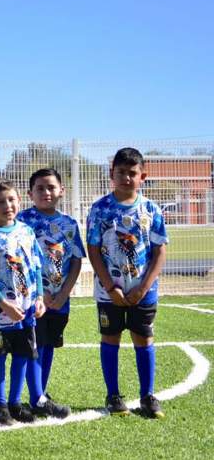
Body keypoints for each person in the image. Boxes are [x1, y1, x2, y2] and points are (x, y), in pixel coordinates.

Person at [0, 179, 68, 426]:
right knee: (0, 355)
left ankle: (16, 404)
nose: (7, 205)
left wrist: (38, 298)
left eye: (12, 199)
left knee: (23, 355)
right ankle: (1, 405)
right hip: (1, 311)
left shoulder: (25, 231)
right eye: (0, 202)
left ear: (19, 201)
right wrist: (2, 303)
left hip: (26, 310)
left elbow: (36, 266)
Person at [87, 148, 167, 418]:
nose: (126, 177)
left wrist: (143, 287)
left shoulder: (151, 210)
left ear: (142, 176)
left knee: (144, 339)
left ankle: (148, 396)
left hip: (142, 291)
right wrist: (111, 286)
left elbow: (159, 252)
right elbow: (94, 249)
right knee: (111, 337)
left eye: (132, 173)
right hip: (110, 291)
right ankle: (113, 396)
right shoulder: (100, 209)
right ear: (112, 174)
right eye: (121, 172)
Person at [17, 168, 83, 417]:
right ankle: (36, 397)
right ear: (30, 193)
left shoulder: (69, 224)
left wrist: (65, 293)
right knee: (35, 345)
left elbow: (76, 260)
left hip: (60, 299)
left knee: (48, 347)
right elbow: (19, 261)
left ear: (61, 191)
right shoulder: (22, 221)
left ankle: (41, 393)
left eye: (51, 187)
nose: (46, 192)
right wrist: (38, 294)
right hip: (34, 299)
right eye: (40, 188)